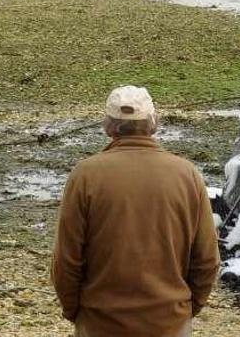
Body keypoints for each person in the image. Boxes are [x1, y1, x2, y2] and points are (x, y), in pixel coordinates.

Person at [52, 85, 220, 337]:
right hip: (169, 322)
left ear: (108, 126)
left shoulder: (85, 174)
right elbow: (207, 259)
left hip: (100, 321)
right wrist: (186, 308)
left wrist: (75, 311)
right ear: (154, 123)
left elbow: (67, 259)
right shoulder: (187, 175)